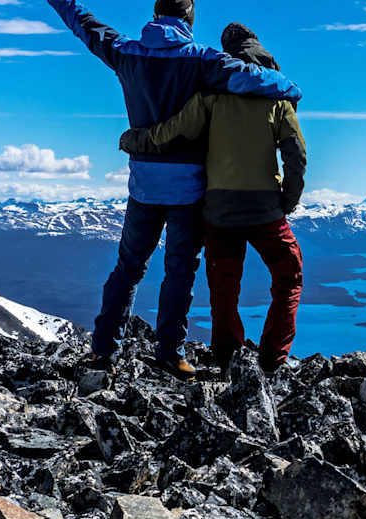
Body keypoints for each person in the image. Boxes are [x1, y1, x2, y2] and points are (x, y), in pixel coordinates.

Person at [46, 0, 303, 379]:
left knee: (128, 268)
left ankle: (104, 351)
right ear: (189, 19)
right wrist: (290, 89)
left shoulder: (125, 52)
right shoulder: (202, 59)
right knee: (180, 271)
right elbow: (253, 79)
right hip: (189, 188)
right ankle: (170, 352)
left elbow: (84, 24)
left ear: (155, 15)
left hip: (145, 186)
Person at [120, 23, 306, 375]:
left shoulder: (209, 95)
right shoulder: (276, 98)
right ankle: (273, 360)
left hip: (219, 211)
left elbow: (170, 133)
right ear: (261, 51)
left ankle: (227, 357)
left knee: (224, 288)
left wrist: (134, 140)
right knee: (289, 277)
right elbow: (296, 154)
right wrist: (288, 201)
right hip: (266, 209)